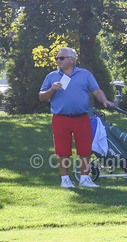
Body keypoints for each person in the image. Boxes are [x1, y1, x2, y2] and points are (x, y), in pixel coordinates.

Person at [38, 47, 114, 188]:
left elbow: (96, 90)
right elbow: (41, 97)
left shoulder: (85, 74)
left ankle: (84, 179)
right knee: (62, 151)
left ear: (72, 60)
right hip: (60, 118)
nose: (58, 61)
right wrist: (51, 89)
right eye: (57, 58)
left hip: (82, 118)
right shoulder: (52, 76)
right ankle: (65, 180)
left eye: (61, 58)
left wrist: (104, 101)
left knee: (85, 149)